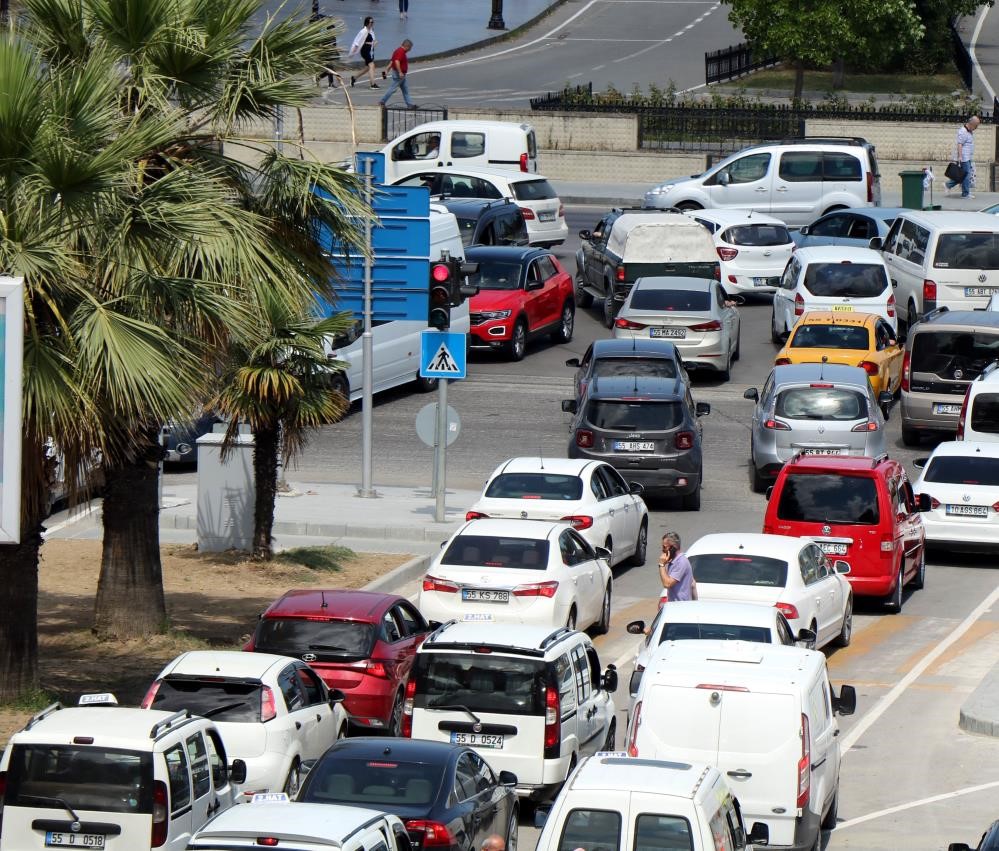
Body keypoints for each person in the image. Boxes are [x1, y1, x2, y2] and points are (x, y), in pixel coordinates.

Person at [946, 115, 980, 199]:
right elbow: (959, 144)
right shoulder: (963, 131)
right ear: (971, 124)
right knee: (966, 175)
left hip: (968, 157)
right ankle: (965, 194)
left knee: (964, 175)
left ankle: (949, 185)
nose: (976, 128)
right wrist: (960, 157)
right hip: (964, 157)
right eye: (976, 126)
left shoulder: (969, 131)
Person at [658, 531, 696, 602]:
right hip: (675, 605)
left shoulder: (680, 562)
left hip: (680, 607)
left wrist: (661, 565)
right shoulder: (674, 561)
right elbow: (693, 584)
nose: (663, 550)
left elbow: (667, 583)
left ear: (673, 547)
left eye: (665, 547)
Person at [380, 39, 415, 108]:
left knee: (405, 90)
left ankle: (409, 104)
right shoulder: (401, 52)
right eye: (410, 48)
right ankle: (382, 101)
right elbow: (396, 61)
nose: (410, 50)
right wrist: (400, 72)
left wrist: (386, 71)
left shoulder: (397, 51)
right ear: (407, 46)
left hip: (401, 75)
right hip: (399, 74)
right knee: (392, 89)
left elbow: (392, 62)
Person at [348, 16, 380, 88]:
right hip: (365, 50)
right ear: (367, 23)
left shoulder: (371, 30)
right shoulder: (363, 31)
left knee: (367, 68)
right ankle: (372, 84)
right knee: (372, 65)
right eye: (371, 22)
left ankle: (354, 78)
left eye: (373, 22)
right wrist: (353, 51)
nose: (372, 23)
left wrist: (375, 42)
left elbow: (373, 40)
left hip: (370, 50)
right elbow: (357, 41)